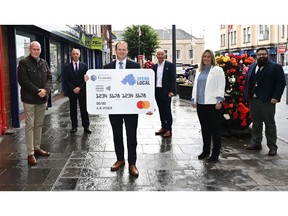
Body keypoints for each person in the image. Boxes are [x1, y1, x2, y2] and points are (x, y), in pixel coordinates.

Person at [103, 41, 141, 177]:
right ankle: (120, 159)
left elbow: (142, 87)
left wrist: (148, 105)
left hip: (130, 108)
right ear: (115, 50)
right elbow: (100, 83)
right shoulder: (107, 67)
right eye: (119, 49)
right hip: (115, 107)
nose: (121, 52)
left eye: (124, 50)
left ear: (127, 51)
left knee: (132, 135)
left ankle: (132, 163)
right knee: (117, 134)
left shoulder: (135, 66)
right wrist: (90, 79)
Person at [244, 47, 286, 156]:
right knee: (256, 123)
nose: (261, 56)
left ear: (268, 55)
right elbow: (248, 81)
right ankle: (256, 143)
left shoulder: (275, 67)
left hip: (268, 100)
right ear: (256, 56)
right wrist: (247, 96)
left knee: (269, 124)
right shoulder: (253, 66)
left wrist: (276, 97)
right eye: (259, 55)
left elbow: (281, 83)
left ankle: (272, 147)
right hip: (253, 99)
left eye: (264, 54)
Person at [18, 41, 52, 165]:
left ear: (41, 50)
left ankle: (37, 147)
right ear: (29, 49)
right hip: (29, 100)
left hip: (42, 99)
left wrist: (46, 90)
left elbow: (49, 77)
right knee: (30, 125)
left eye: (38, 49)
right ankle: (30, 153)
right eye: (34, 49)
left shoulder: (44, 62)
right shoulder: (23, 63)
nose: (36, 51)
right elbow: (23, 81)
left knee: (39, 125)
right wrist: (38, 91)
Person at [191, 49, 225, 163]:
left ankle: (215, 153)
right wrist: (194, 99)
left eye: (208, 57)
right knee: (205, 129)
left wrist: (219, 100)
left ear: (212, 58)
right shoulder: (199, 70)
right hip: (201, 104)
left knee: (215, 130)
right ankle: (206, 151)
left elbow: (221, 85)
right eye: (204, 56)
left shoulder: (217, 70)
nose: (206, 58)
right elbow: (196, 86)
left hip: (213, 104)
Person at [64, 48, 91, 134]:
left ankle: (86, 126)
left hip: (82, 91)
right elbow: (66, 79)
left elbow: (86, 79)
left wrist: (79, 88)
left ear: (79, 55)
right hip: (72, 92)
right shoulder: (67, 67)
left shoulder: (84, 66)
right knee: (73, 109)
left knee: (84, 109)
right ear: (71, 55)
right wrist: (73, 88)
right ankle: (74, 126)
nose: (75, 55)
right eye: (74, 54)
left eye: (77, 54)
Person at [153, 49, 176, 138]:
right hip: (157, 91)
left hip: (166, 92)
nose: (160, 56)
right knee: (161, 110)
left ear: (164, 55)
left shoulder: (170, 65)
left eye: (162, 54)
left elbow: (173, 79)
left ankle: (169, 129)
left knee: (167, 111)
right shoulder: (154, 66)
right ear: (157, 56)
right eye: (158, 54)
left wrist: (172, 91)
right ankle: (163, 127)